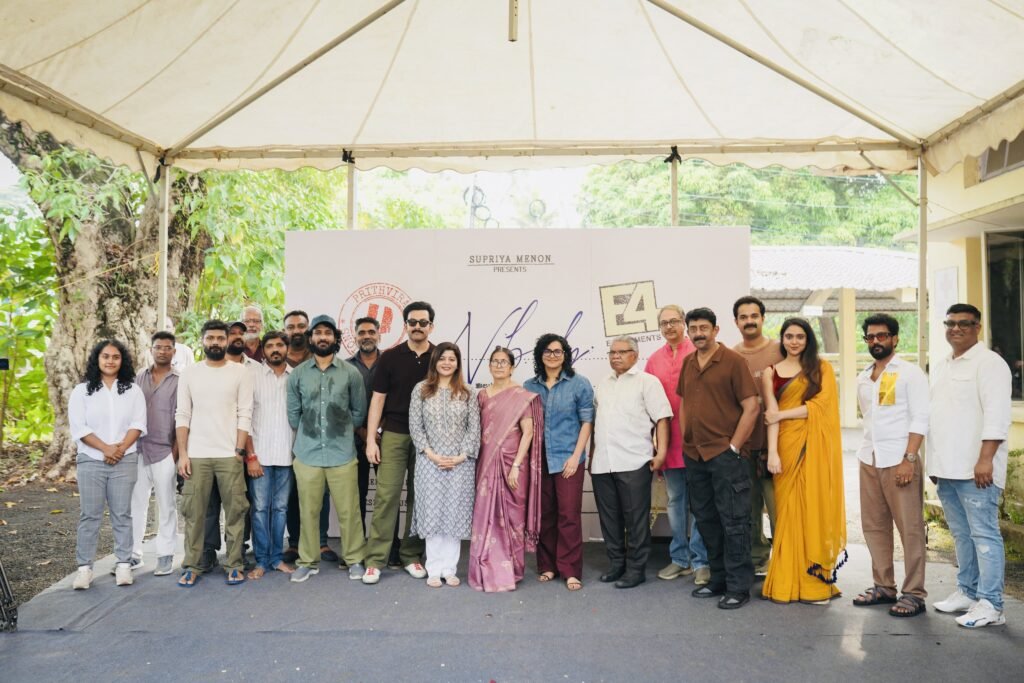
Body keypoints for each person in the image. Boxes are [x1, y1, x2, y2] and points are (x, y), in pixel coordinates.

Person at [929, 303, 1011, 628]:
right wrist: (933, 462)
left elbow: (997, 416)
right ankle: (968, 591)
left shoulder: (990, 364)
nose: (956, 329)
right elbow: (936, 416)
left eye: (964, 323)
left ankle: (992, 604)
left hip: (977, 470)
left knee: (984, 535)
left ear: (978, 327)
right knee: (961, 535)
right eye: (950, 323)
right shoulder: (941, 366)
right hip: (946, 469)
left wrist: (986, 459)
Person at [677, 307, 759, 610]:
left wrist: (734, 447)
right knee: (707, 520)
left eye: (704, 328)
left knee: (734, 521)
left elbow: (752, 406)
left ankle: (739, 586)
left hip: (726, 457)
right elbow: (684, 404)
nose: (698, 333)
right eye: (693, 329)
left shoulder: (734, 362)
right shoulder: (688, 363)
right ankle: (719, 579)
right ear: (688, 332)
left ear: (715, 330)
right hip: (695, 456)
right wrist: (686, 441)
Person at [761, 318, 846, 604]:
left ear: (808, 339)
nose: (794, 341)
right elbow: (770, 415)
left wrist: (782, 415)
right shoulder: (770, 372)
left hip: (814, 449)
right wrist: (773, 453)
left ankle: (813, 586)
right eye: (789, 336)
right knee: (786, 516)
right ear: (782, 339)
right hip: (785, 447)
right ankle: (785, 582)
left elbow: (822, 407)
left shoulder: (821, 369)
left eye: (800, 336)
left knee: (812, 511)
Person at [853, 314, 929, 617]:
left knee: (910, 528)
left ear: (895, 339)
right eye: (870, 337)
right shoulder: (863, 377)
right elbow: (869, 419)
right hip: (869, 458)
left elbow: (921, 417)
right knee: (874, 526)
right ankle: (884, 586)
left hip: (900, 460)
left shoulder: (909, 373)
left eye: (882, 336)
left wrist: (909, 459)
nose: (876, 341)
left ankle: (914, 593)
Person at [287, 315, 368, 583]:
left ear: (336, 338)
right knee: (308, 511)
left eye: (328, 333)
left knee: (349, 511)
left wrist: (339, 430)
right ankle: (307, 561)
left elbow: (359, 413)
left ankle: (354, 559)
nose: (323, 337)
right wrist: (311, 431)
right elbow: (293, 415)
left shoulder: (350, 373)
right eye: (318, 333)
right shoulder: (298, 374)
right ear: (311, 338)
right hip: (307, 454)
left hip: (341, 453)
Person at [362, 302, 437, 585]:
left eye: (423, 322)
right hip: (394, 433)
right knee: (386, 496)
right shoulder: (391, 357)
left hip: (428, 439)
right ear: (405, 325)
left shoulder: (440, 357)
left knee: (420, 498)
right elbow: (377, 399)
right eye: (412, 322)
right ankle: (375, 560)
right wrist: (371, 440)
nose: (417, 327)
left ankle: (411, 555)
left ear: (431, 326)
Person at [175, 320, 253, 587]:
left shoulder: (240, 372)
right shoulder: (190, 373)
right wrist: (183, 454)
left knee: (236, 512)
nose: (216, 342)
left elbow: (245, 413)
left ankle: (234, 564)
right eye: (210, 338)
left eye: (220, 338)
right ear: (202, 341)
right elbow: (182, 414)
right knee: (194, 514)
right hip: (197, 455)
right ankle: (192, 565)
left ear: (227, 340)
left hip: (230, 454)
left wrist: (239, 451)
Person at [591, 336, 673, 589]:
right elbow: (597, 423)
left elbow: (662, 418)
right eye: (612, 352)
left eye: (622, 352)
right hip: (602, 462)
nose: (615, 356)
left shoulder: (647, 382)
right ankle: (616, 564)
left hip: (634, 460)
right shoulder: (602, 384)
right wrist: (592, 456)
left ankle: (636, 570)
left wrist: (661, 453)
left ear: (635, 356)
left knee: (636, 520)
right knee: (609, 518)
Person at [69, 340, 147, 590]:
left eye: (115, 357)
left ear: (122, 361)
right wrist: (106, 449)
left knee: (122, 513)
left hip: (125, 459)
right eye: (105, 356)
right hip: (91, 460)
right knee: (90, 515)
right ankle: (84, 569)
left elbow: (138, 424)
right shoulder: (81, 391)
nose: (110, 361)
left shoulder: (133, 391)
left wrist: (119, 450)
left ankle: (124, 564)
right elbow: (80, 428)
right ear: (97, 359)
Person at [468, 346, 543, 592]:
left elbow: (528, 432)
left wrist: (517, 466)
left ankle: (511, 568)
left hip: (513, 464)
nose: (499, 365)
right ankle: (485, 566)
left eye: (504, 362)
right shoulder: (481, 395)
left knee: (513, 518)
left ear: (512, 367)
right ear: (489, 366)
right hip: (486, 462)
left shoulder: (522, 396)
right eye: (495, 361)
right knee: (485, 515)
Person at [523, 334, 594, 592]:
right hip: (539, 459)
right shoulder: (529, 386)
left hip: (568, 459)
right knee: (545, 514)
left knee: (569, 515)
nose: (553, 356)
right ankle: (548, 565)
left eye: (558, 351)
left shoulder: (579, 383)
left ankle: (570, 570)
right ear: (539, 355)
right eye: (547, 351)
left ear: (565, 355)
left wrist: (576, 456)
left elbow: (587, 422)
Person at [644, 304, 709, 585]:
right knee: (675, 501)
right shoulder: (653, 360)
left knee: (700, 503)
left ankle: (701, 561)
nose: (669, 327)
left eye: (674, 321)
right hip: (668, 441)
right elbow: (647, 402)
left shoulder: (698, 352)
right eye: (664, 323)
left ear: (684, 323)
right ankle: (680, 559)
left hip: (699, 439)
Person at [408, 343, 480, 587]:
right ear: (435, 362)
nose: (447, 363)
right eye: (442, 358)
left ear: (458, 363)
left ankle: (449, 569)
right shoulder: (421, 389)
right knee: (433, 513)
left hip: (461, 464)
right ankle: (433, 569)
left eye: (452, 358)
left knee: (454, 514)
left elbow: (474, 429)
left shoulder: (468, 392)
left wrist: (461, 456)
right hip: (429, 462)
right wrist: (432, 454)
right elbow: (416, 426)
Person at [280, 309, 335, 565]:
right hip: (282, 438)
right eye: (291, 327)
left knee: (320, 492)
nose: (296, 331)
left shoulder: (321, 359)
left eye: (301, 326)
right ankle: (294, 543)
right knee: (292, 492)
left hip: (317, 439)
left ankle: (321, 542)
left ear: (309, 331)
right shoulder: (276, 360)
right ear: (285, 331)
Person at [732, 296, 779, 576]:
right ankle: (758, 556)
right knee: (748, 507)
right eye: (743, 317)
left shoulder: (780, 350)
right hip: (745, 446)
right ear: (736, 322)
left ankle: (784, 560)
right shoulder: (732, 356)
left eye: (754, 316)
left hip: (776, 445)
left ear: (763, 318)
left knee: (779, 508)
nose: (749, 321)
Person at [244, 331, 296, 579]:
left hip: (287, 455)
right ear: (263, 350)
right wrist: (251, 456)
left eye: (280, 345)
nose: (275, 349)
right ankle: (261, 560)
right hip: (260, 456)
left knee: (281, 509)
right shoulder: (252, 377)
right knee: (260, 509)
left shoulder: (296, 377)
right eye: (270, 346)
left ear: (287, 348)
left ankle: (277, 558)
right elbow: (245, 418)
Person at [129, 331, 179, 577]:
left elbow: (183, 418)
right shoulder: (139, 377)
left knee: (166, 505)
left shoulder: (180, 380)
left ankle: (165, 554)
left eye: (167, 347)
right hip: (138, 450)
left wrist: (175, 453)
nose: (162, 351)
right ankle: (133, 554)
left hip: (165, 451)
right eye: (158, 347)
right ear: (151, 350)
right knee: (135, 504)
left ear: (174, 351)